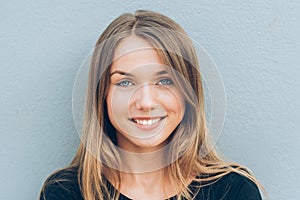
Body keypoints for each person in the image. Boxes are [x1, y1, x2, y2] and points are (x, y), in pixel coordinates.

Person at [40, 10, 264, 200]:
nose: (146, 102)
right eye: (125, 82)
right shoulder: (65, 192)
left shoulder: (234, 191)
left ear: (188, 93)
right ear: (103, 96)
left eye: (164, 81)